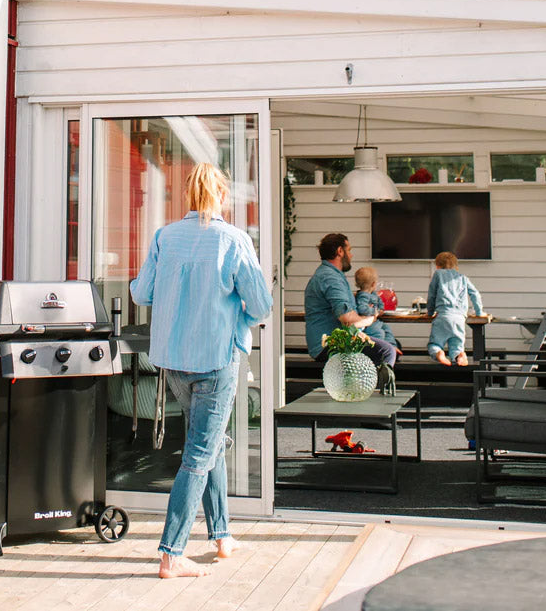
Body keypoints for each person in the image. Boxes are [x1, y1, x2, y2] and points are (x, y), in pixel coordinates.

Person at [130, 161, 272, 579]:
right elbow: (261, 306)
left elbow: (141, 293)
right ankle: (171, 554)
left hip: (174, 361)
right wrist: (239, 317)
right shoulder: (233, 239)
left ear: (188, 196)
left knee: (209, 446)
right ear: (222, 195)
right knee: (198, 455)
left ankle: (221, 535)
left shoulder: (164, 237)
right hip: (216, 360)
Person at [303, 233, 397, 390]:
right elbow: (347, 319)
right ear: (340, 251)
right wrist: (371, 318)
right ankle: (372, 393)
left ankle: (362, 388)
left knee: (388, 345)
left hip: (329, 342)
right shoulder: (331, 278)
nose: (351, 255)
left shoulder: (328, 275)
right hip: (330, 345)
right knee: (386, 351)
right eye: (349, 250)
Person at [426, 251, 485, 366]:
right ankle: (459, 355)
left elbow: (432, 295)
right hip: (459, 319)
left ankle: (438, 353)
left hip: (443, 316)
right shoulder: (463, 278)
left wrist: (430, 312)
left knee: (435, 344)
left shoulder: (438, 274)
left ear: (437, 265)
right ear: (455, 266)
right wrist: (479, 312)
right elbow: (475, 294)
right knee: (456, 346)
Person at [354, 266, 398, 347]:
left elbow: (380, 302)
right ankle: (378, 348)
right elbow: (362, 309)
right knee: (379, 333)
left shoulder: (373, 294)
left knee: (387, 329)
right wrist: (375, 311)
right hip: (368, 323)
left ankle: (392, 346)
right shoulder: (362, 296)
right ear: (373, 284)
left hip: (376, 321)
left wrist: (381, 308)